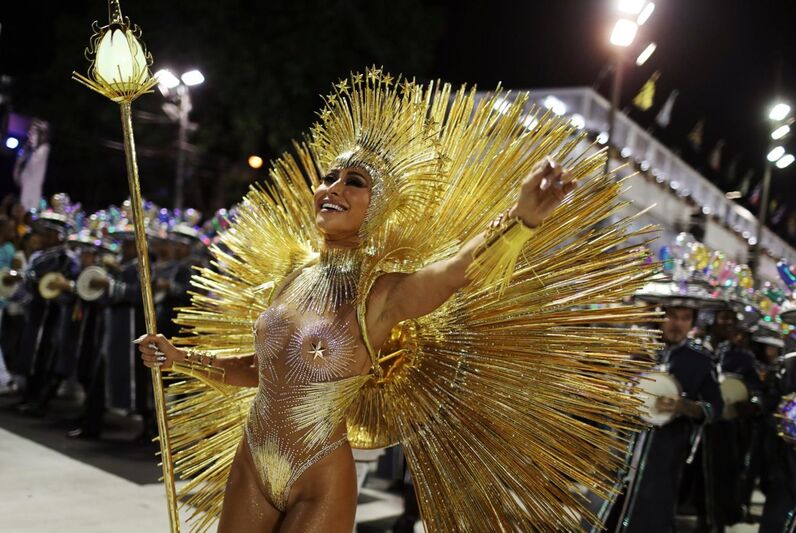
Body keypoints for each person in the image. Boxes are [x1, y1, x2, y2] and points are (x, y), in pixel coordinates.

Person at [136, 69, 658, 532]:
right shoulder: (293, 275)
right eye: (329, 176)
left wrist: (519, 221)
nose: (333, 187)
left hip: (320, 477)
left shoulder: (381, 292)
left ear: (376, 206)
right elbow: (263, 369)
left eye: (355, 182)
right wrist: (182, 360)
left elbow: (455, 272)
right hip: (253, 460)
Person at [610, 301, 724, 532]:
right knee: (610, 506)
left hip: (668, 449)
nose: (677, 324)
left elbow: (715, 407)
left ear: (692, 322)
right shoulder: (638, 353)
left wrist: (685, 407)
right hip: (624, 444)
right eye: (672, 316)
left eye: (685, 318)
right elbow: (613, 389)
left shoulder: (700, 362)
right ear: (660, 317)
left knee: (655, 508)